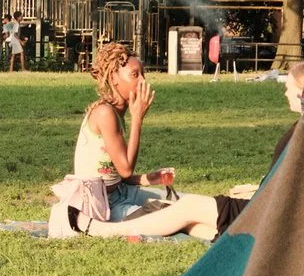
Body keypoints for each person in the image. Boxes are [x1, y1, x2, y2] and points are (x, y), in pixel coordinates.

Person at [60, 41, 235, 241]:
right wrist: (137, 119)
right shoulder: (104, 113)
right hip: (104, 205)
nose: (143, 80)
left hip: (122, 192)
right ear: (113, 78)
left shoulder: (115, 112)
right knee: (174, 217)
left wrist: (148, 178)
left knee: (181, 201)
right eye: (135, 75)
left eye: (143, 74)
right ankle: (227, 239)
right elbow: (125, 169)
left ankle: (233, 229)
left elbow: (117, 175)